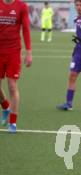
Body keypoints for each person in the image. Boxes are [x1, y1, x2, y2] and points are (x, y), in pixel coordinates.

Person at [0, 0, 32, 133]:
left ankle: (13, 122)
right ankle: (6, 107)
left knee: (12, 86)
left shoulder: (22, 6)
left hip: (13, 52)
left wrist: (28, 51)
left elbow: (25, 29)